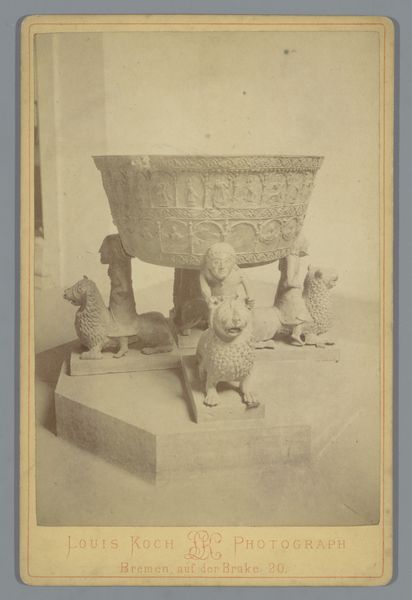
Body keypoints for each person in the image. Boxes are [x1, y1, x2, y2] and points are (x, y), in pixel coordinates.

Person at [274, 232, 311, 345]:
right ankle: (295, 334)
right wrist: (298, 286)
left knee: (290, 312)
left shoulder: (288, 256)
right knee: (301, 312)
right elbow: (289, 280)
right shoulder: (292, 257)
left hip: (285, 288)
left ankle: (293, 333)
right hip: (291, 290)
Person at [199, 242, 254, 307]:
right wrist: (209, 299)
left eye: (226, 261)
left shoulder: (236, 272)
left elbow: (246, 282)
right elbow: (204, 289)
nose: (222, 266)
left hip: (234, 304)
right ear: (209, 264)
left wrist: (250, 297)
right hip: (216, 304)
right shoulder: (206, 273)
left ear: (232, 263)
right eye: (216, 262)